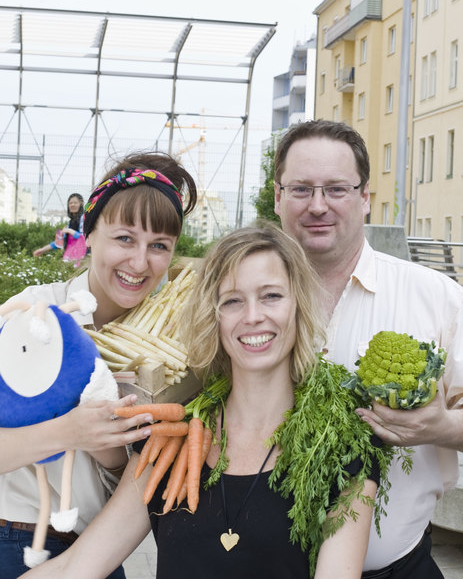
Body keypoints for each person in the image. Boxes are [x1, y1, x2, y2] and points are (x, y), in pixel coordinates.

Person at [18, 223, 386, 579]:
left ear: (299, 306)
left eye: (271, 296)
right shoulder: (169, 440)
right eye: (233, 301)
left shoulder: (342, 444)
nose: (253, 316)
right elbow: (74, 568)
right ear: (214, 316)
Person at [273, 119, 463, 578]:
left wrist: (439, 427)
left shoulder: (435, 297)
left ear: (365, 198)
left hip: (397, 569)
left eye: (336, 189)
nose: (318, 205)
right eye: (301, 189)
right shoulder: (243, 302)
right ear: (278, 197)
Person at [0, 152, 197, 579]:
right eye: (124, 238)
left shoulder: (175, 354)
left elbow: (137, 487)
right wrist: (69, 431)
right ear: (88, 235)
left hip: (98, 555)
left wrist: (109, 451)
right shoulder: (35, 314)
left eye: (158, 246)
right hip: (11, 541)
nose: (140, 262)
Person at [33, 193, 85, 260]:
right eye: (70, 203)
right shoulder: (70, 223)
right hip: (71, 256)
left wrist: (69, 231)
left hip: (81, 257)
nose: (72, 205)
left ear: (81, 204)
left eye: (75, 203)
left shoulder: (83, 219)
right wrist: (42, 250)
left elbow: (83, 237)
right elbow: (59, 242)